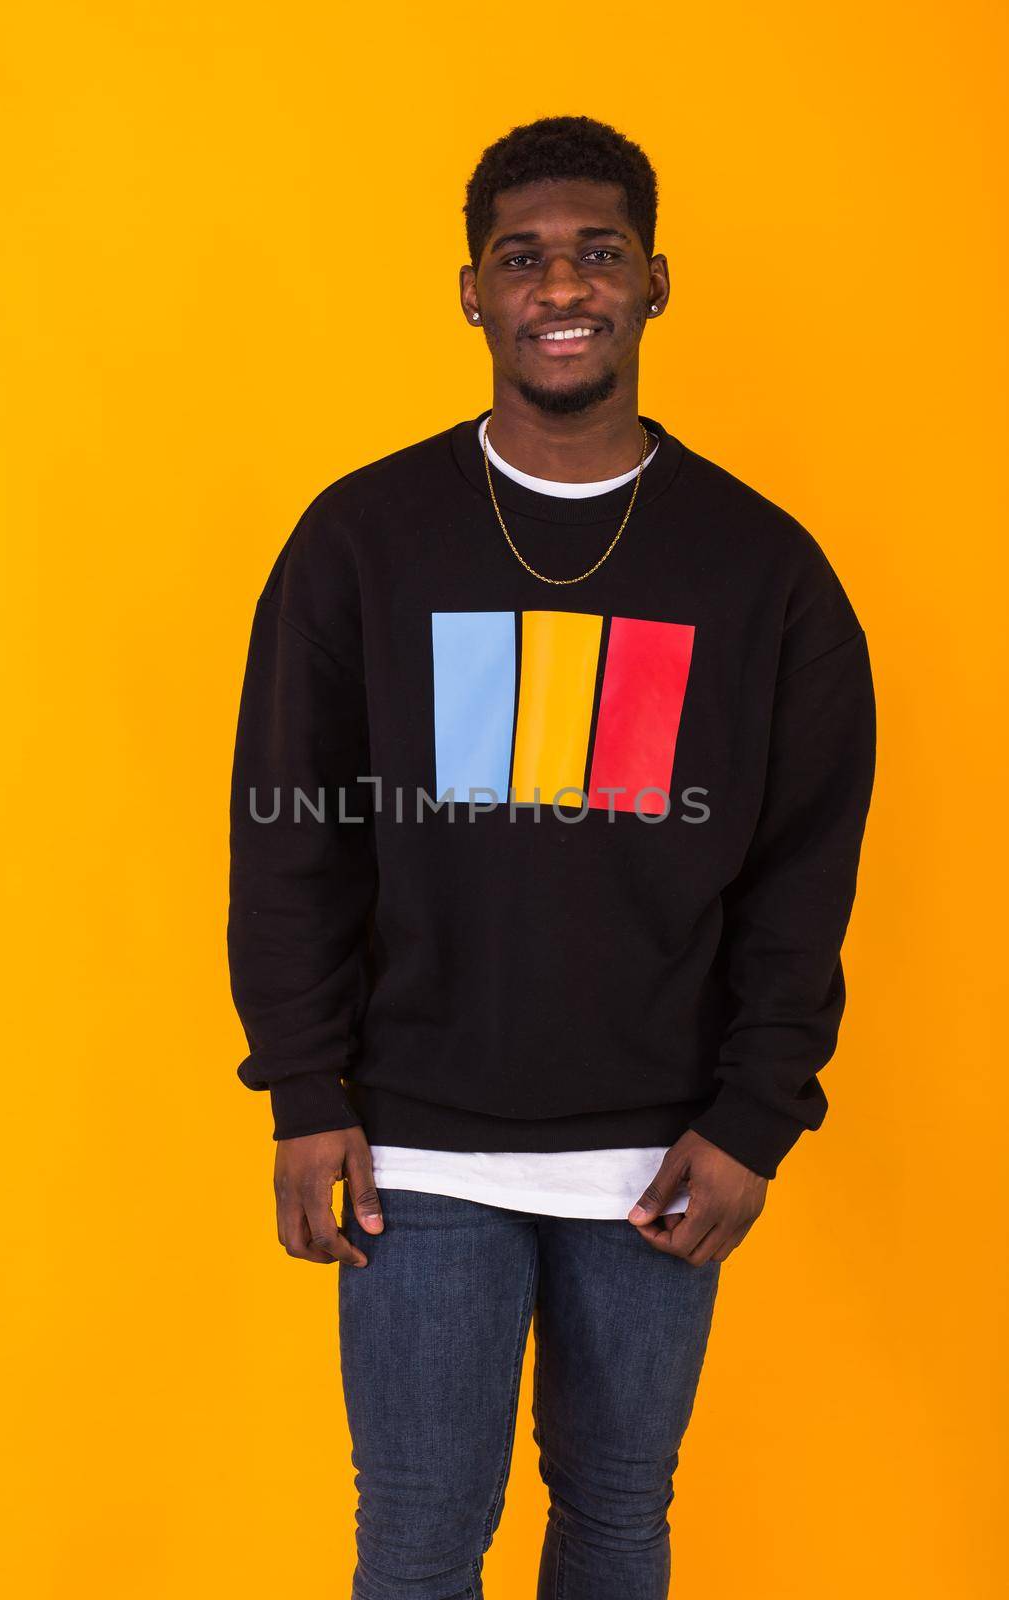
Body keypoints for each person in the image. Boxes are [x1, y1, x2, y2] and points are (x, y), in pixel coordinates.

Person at [227, 114, 877, 1600]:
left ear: (656, 280)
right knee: (415, 1544)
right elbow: (290, 834)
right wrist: (306, 1090)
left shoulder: (757, 566)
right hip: (418, 1141)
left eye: (596, 253)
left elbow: (804, 865)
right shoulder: (364, 537)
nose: (560, 285)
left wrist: (756, 1115)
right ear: (472, 293)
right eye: (522, 258)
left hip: (659, 1151)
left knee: (616, 1525)